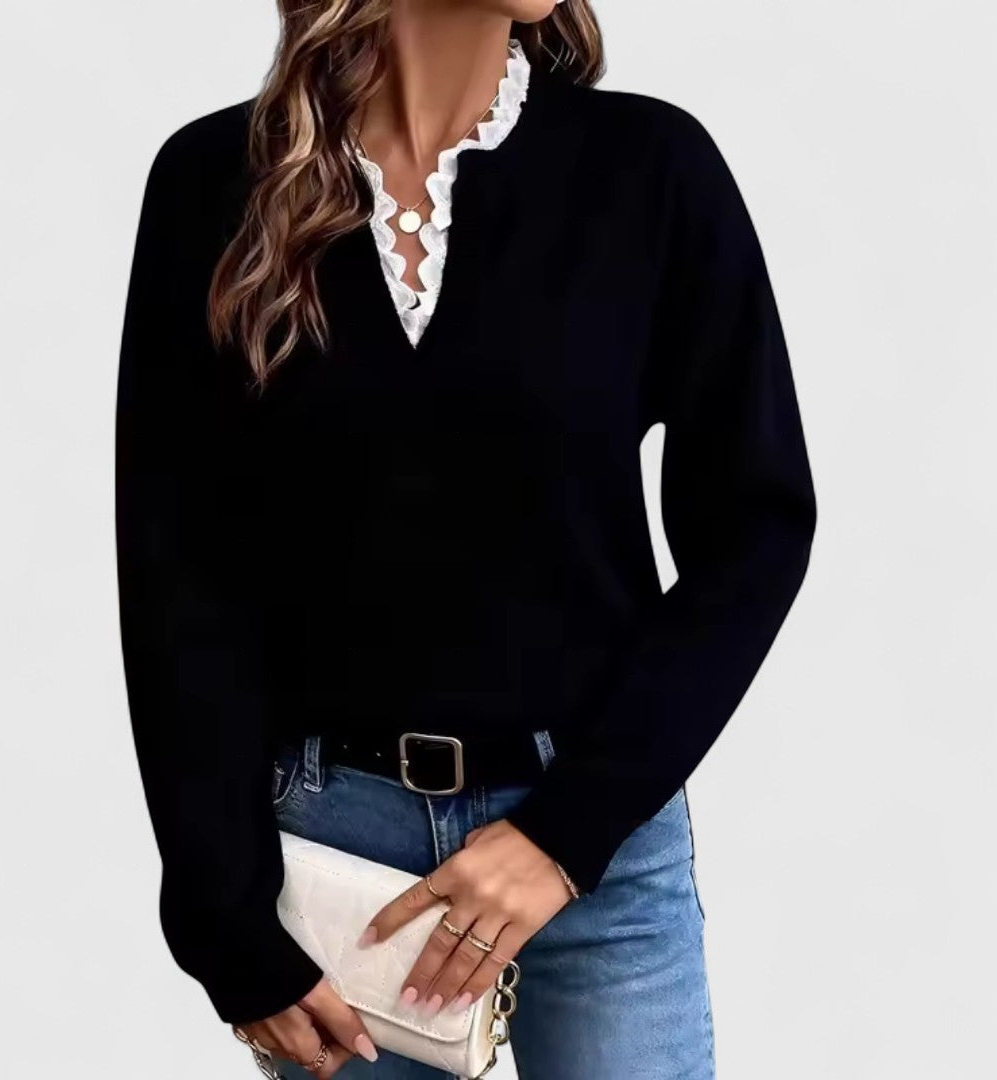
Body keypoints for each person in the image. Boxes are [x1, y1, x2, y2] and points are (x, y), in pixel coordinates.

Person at [115, 1, 817, 1076]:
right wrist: (222, 914)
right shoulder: (214, 182)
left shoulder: (649, 169)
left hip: (596, 849)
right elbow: (180, 573)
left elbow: (756, 528)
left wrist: (566, 835)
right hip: (335, 867)